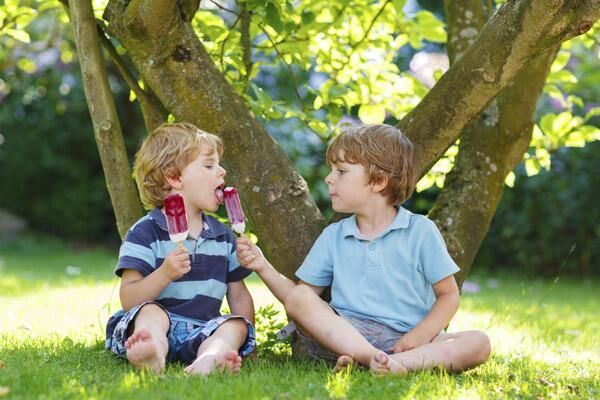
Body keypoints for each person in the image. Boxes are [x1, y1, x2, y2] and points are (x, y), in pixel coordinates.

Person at [237, 124, 490, 375]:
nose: (329, 178)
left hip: (408, 341)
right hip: (344, 336)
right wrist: (262, 266)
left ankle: (395, 364)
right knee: (301, 297)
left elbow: (448, 296)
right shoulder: (334, 236)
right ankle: (371, 358)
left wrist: (419, 336)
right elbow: (299, 299)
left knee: (478, 343)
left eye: (341, 171)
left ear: (378, 181)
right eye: (331, 170)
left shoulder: (420, 231)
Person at [105, 122, 255, 375]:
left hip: (202, 330)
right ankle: (152, 350)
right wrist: (164, 274)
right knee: (150, 312)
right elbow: (129, 299)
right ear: (174, 178)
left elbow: (238, 295)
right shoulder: (145, 232)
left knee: (235, 325)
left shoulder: (223, 235)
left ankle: (209, 359)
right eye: (209, 165)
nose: (222, 171)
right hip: (153, 323)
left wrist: (247, 341)